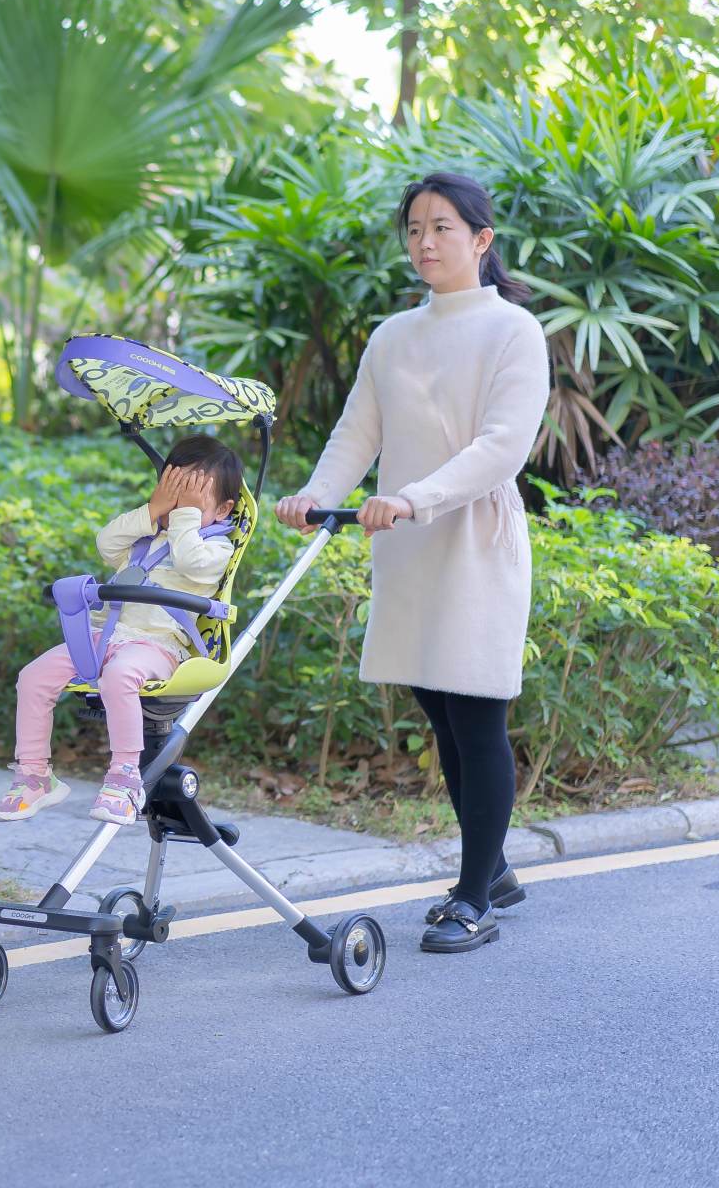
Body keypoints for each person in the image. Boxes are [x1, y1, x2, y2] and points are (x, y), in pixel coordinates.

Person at [276, 171, 550, 954]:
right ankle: (490, 867)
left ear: (481, 241)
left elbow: (502, 447)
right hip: (404, 540)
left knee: (475, 709)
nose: (426, 243)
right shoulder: (393, 334)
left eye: (443, 228)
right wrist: (316, 496)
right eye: (415, 229)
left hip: (472, 540)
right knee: (438, 709)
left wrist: (415, 498)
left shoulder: (511, 332)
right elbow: (357, 433)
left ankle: (474, 898)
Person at [0, 436, 242, 826]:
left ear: (224, 508)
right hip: (106, 638)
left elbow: (189, 560)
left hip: (160, 647)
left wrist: (185, 518)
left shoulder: (216, 548)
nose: (179, 510)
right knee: (33, 677)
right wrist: (153, 511)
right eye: (173, 495)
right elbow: (105, 542)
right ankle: (35, 775)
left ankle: (125, 777)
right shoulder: (143, 541)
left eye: (193, 503)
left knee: (119, 676)